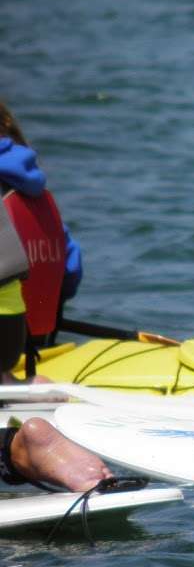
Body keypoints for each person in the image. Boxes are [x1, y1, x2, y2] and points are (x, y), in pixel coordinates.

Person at [1, 99, 110, 491]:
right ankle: (16, 384)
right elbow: (71, 271)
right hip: (17, 334)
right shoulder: (34, 188)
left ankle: (16, 449)